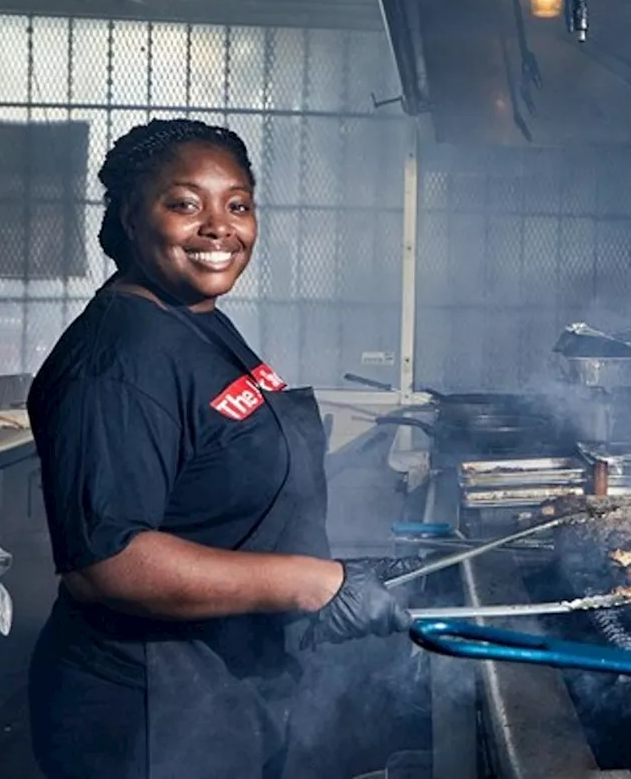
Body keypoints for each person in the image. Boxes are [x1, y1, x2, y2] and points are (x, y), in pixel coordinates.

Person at [26, 118, 416, 779]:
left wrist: (345, 553)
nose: (219, 227)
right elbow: (109, 564)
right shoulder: (117, 361)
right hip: (148, 712)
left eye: (237, 205)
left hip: (224, 686)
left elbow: (218, 469)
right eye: (184, 204)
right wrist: (313, 582)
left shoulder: (195, 321)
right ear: (129, 215)